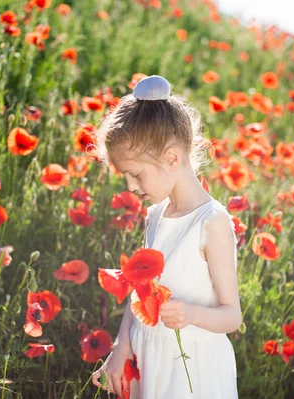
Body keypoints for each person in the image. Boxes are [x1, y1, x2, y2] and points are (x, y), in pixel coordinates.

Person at [90, 75, 242, 398]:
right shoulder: (155, 216)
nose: (131, 187)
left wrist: (191, 314)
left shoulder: (211, 222)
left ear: (172, 158)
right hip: (151, 361)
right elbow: (139, 294)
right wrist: (121, 347)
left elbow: (232, 315)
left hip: (192, 372)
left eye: (136, 174)